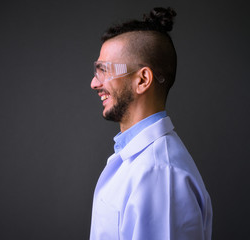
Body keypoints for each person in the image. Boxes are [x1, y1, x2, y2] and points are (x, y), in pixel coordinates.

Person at [89, 7, 212, 240]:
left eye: (104, 71)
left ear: (142, 80)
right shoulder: (140, 163)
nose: (94, 83)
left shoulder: (160, 175)